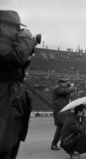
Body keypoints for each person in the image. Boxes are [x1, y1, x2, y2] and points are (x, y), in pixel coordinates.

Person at [0, 10, 37, 159]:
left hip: (10, 102)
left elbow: (14, 68)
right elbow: (14, 59)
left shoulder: (7, 44)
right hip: (5, 101)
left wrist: (27, 56)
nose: (19, 31)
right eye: (16, 27)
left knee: (10, 143)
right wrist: (26, 40)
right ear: (2, 26)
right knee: (4, 146)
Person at [51, 78, 75, 150]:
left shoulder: (61, 89)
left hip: (63, 111)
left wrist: (69, 88)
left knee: (63, 127)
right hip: (60, 111)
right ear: (61, 83)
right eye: (65, 83)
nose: (66, 84)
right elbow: (66, 91)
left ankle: (62, 143)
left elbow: (68, 92)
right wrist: (71, 87)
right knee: (60, 127)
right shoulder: (57, 88)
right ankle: (54, 144)